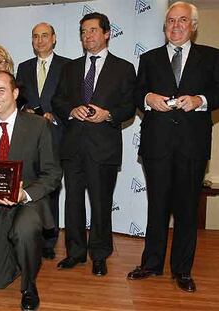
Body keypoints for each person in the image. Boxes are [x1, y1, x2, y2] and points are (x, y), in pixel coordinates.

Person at [127, 2, 219, 293]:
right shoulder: (149, 58)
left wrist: (200, 101)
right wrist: (147, 99)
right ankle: (151, 264)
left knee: (187, 210)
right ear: (164, 25)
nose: (175, 25)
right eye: (170, 20)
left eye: (182, 20)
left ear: (193, 25)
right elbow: (137, 92)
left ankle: (182, 270)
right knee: (156, 207)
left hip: (192, 146)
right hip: (157, 145)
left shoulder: (211, 57)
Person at [0, 71, 62, 311]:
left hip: (28, 202)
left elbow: (52, 174)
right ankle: (21, 255)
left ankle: (29, 285)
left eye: (0, 90)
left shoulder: (38, 125)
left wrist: (24, 194)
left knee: (25, 229)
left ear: (15, 93)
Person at [52, 13, 136, 276]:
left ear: (107, 33)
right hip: (73, 147)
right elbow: (57, 101)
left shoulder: (123, 68)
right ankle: (75, 253)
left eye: (92, 30)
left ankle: (100, 254)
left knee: (101, 203)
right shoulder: (70, 67)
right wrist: (71, 110)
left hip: (104, 148)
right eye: (83, 32)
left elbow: (129, 106)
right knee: (73, 202)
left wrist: (108, 114)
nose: (87, 36)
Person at [16, 22, 70, 260]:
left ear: (54, 38)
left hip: (56, 135)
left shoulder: (68, 66)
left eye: (45, 36)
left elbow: (70, 99)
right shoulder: (23, 67)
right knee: (29, 185)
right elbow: (19, 101)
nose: (40, 40)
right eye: (35, 36)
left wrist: (54, 116)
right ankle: (30, 235)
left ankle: (49, 240)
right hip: (29, 138)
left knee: (51, 188)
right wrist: (25, 110)